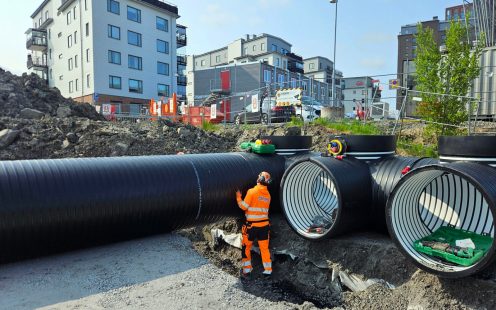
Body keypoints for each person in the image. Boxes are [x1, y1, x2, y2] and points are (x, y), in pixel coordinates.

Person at [236, 171, 273, 278]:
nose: (257, 178)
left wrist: (238, 197)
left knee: (246, 247)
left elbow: (244, 207)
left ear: (260, 179)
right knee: (264, 249)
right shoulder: (268, 195)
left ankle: (247, 270)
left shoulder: (252, 192)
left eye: (259, 177)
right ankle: (268, 270)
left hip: (251, 226)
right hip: (264, 226)